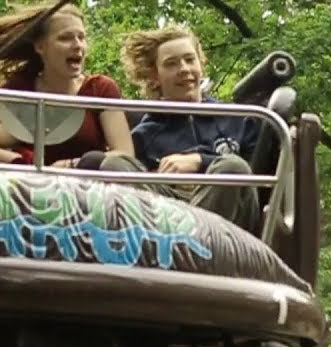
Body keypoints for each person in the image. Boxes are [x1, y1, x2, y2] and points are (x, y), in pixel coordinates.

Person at [108, 24, 262, 234]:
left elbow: (256, 178)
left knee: (233, 167)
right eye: (171, 64)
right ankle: (172, 247)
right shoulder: (144, 135)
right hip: (167, 219)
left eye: (190, 60)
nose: (184, 69)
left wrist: (200, 161)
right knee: (115, 162)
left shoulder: (239, 119)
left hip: (227, 225)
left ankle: (195, 245)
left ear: (201, 64)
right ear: (154, 75)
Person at [0, 2, 133, 168]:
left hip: (87, 191)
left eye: (81, 37)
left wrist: (71, 165)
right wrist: (19, 161)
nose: (78, 45)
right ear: (40, 47)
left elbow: (124, 155)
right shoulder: (20, 88)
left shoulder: (100, 88)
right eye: (65, 38)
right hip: (29, 191)